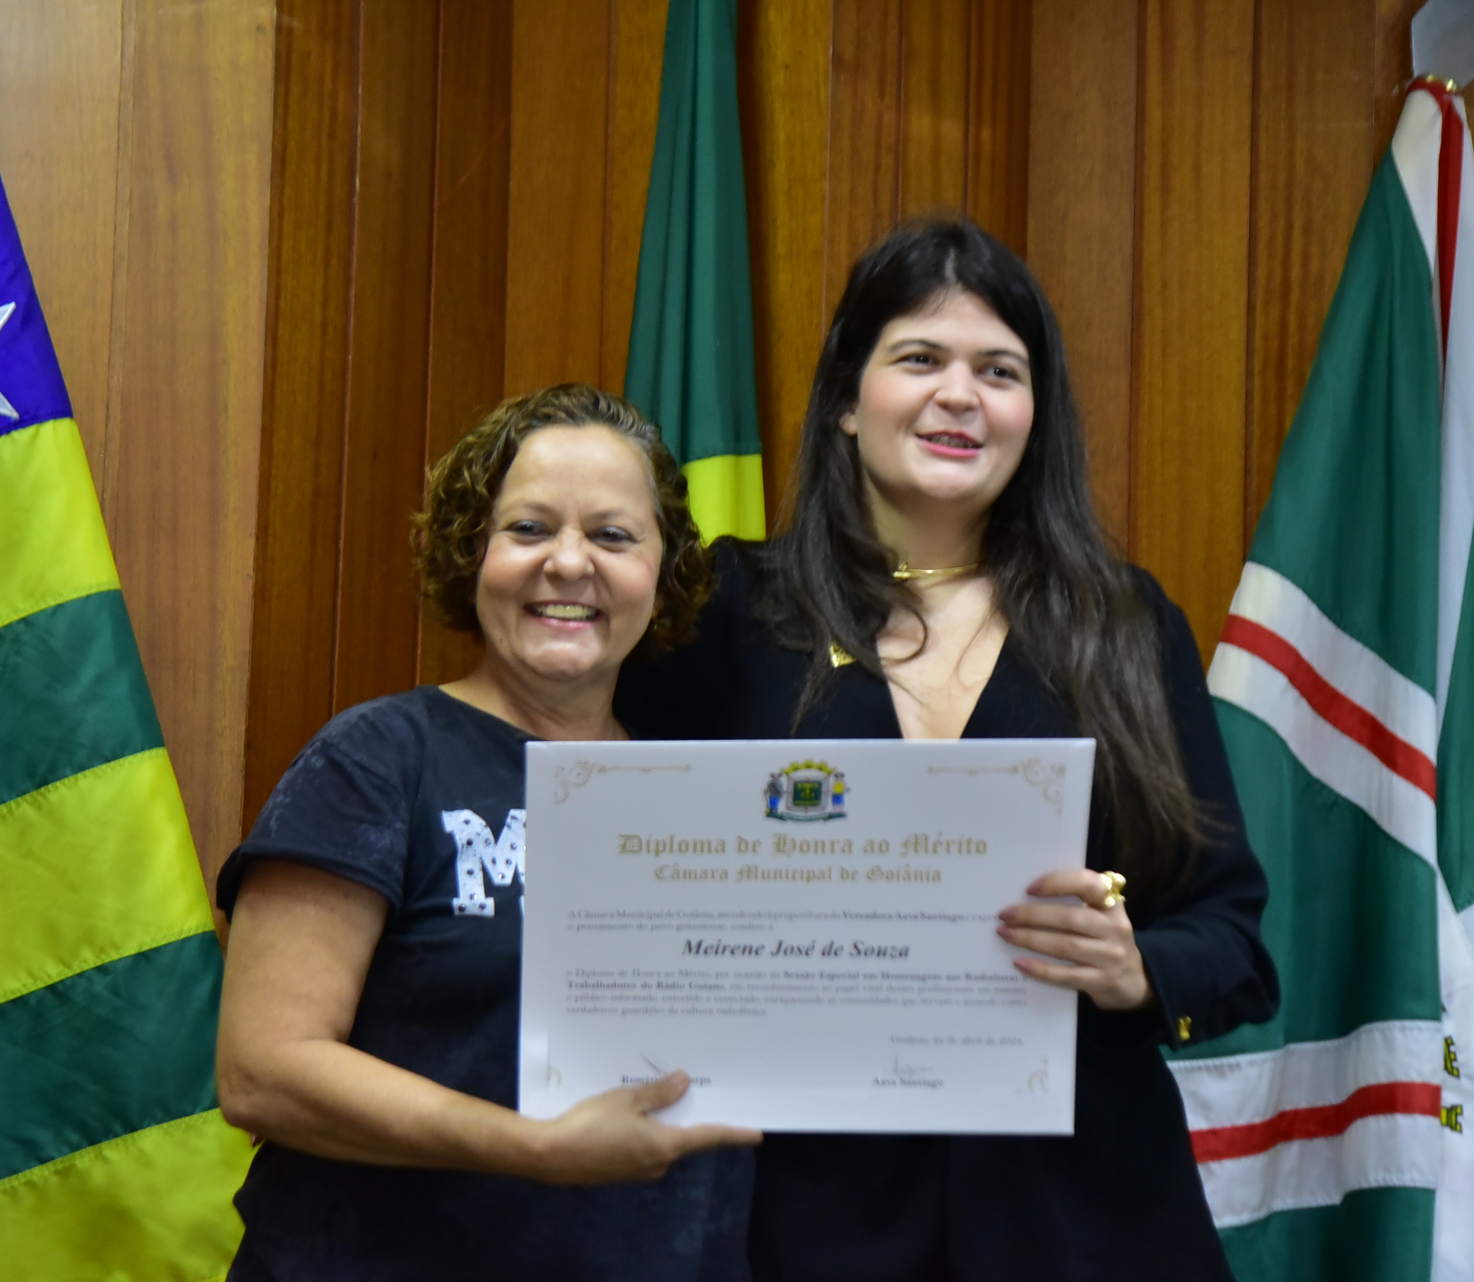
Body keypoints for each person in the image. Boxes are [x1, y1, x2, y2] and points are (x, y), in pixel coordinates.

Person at [616, 219, 1280, 1281]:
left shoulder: (1123, 625)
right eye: (920, 358)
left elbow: (1231, 935)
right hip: (803, 1223)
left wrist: (1136, 969)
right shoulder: (730, 611)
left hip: (1085, 1218)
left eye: (999, 371)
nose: (960, 395)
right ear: (847, 398)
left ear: (1035, 413)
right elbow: (620, 862)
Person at [214, 384, 761, 1282]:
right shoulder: (379, 758)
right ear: (472, 554)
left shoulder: (709, 800)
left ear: (664, 573)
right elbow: (262, 1073)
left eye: (613, 536)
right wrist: (529, 1146)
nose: (569, 563)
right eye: (529, 528)